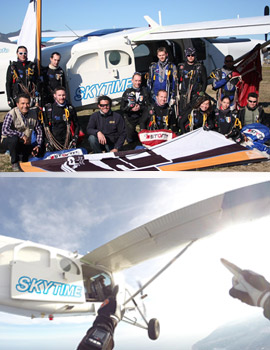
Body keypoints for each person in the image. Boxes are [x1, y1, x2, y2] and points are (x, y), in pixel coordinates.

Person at [1, 93, 43, 171]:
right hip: (9, 141)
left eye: (27, 103)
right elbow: (4, 130)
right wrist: (21, 135)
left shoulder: (33, 114)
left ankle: (23, 158)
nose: (25, 106)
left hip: (25, 142)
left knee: (35, 156)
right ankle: (14, 162)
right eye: (22, 103)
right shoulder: (11, 114)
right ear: (17, 104)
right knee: (14, 139)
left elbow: (39, 130)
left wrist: (38, 145)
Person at [43, 87, 79, 151]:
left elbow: (77, 125)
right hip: (53, 143)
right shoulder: (49, 109)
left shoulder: (70, 108)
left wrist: (75, 139)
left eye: (63, 95)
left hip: (67, 142)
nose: (61, 97)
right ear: (55, 96)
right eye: (59, 95)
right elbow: (45, 127)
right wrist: (47, 142)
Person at [177, 47, 207, 116]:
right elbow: (177, 81)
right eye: (188, 55)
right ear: (186, 56)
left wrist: (202, 92)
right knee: (183, 112)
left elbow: (204, 81)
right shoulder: (181, 67)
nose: (190, 57)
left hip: (196, 94)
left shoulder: (200, 67)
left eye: (192, 55)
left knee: (194, 112)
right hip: (184, 94)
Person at [120, 72, 150, 143]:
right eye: (136, 80)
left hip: (141, 116)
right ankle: (134, 136)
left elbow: (149, 105)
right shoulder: (127, 92)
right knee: (130, 139)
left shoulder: (144, 91)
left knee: (144, 137)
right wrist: (131, 108)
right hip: (130, 117)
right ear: (132, 80)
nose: (137, 83)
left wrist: (140, 107)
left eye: (139, 81)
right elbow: (122, 108)